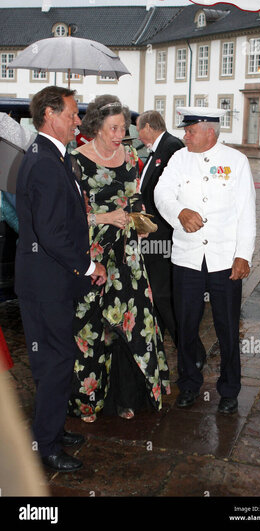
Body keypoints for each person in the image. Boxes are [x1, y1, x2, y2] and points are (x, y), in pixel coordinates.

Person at [15, 86, 106, 472]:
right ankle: (46, 445)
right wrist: (88, 267)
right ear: (50, 114)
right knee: (55, 361)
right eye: (72, 113)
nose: (78, 120)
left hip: (51, 280)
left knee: (58, 357)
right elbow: (51, 234)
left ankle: (51, 428)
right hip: (46, 283)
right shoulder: (46, 162)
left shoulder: (53, 155)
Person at [67, 95, 170, 422]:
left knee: (132, 325)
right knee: (93, 327)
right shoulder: (75, 160)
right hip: (93, 255)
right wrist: (105, 218)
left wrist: (143, 224)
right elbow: (68, 217)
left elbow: (135, 201)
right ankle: (87, 400)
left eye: (122, 128)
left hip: (128, 257)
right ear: (95, 125)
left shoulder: (129, 156)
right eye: (113, 128)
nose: (118, 134)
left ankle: (127, 398)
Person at [154, 106, 256, 413]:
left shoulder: (236, 162)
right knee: (185, 326)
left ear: (209, 131)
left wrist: (243, 255)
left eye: (190, 130)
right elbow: (162, 194)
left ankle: (229, 389)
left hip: (224, 258)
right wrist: (179, 213)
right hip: (187, 258)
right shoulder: (179, 159)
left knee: (227, 328)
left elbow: (246, 212)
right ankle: (189, 384)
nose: (184, 135)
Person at [137, 110, 207, 363]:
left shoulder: (171, 147)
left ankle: (193, 353)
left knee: (164, 297)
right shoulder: (157, 149)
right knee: (156, 298)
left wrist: (153, 230)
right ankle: (157, 350)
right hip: (151, 236)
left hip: (162, 238)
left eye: (137, 128)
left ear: (147, 126)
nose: (136, 134)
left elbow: (170, 197)